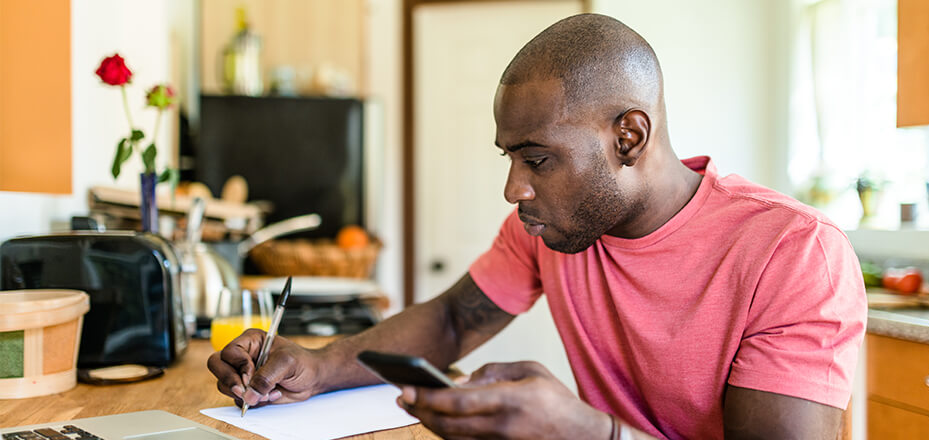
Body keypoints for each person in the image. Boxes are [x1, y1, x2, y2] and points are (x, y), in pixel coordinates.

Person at [208, 13, 866, 439]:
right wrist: (317, 367)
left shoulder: (792, 253)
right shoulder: (553, 222)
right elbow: (454, 320)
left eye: (538, 159)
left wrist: (589, 434)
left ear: (628, 136)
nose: (513, 188)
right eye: (511, 157)